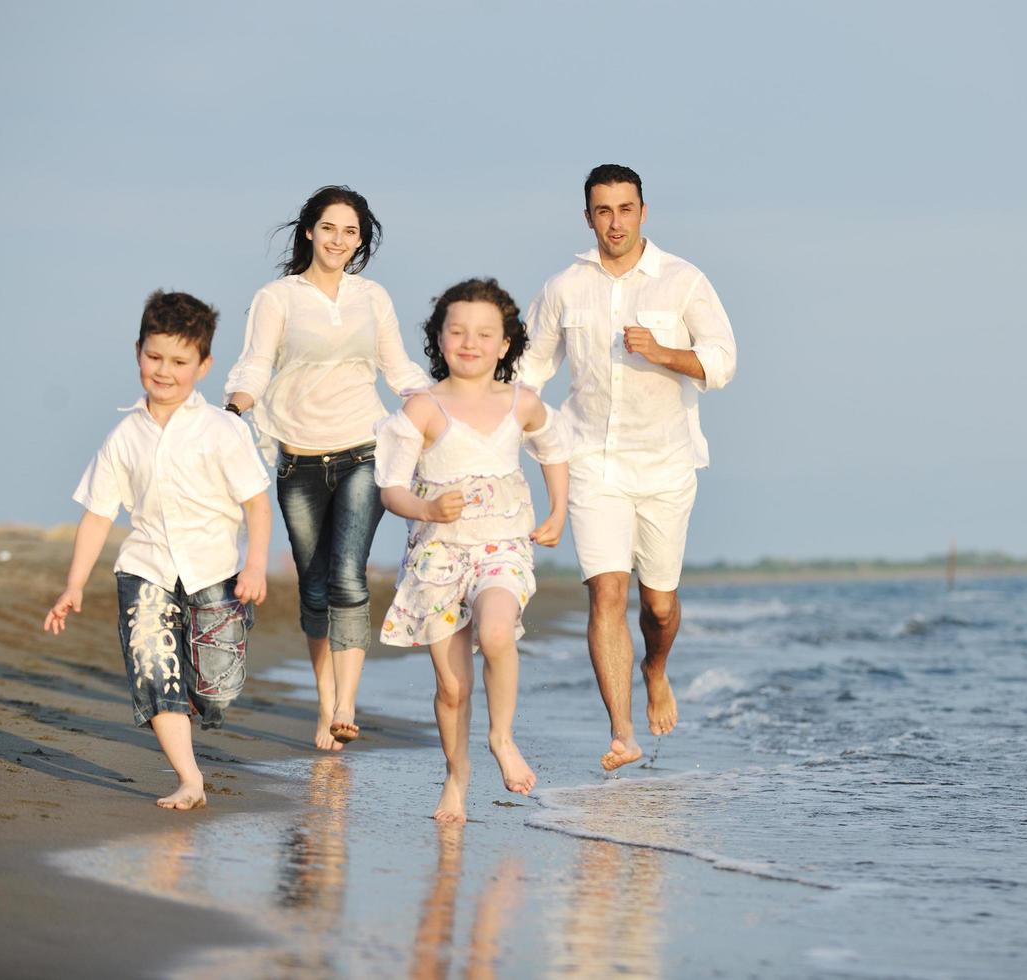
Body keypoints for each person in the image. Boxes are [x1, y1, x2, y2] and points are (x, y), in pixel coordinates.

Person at [518, 164, 738, 771]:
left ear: (643, 211)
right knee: (606, 593)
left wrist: (663, 352)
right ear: (587, 216)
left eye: (625, 209)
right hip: (591, 460)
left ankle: (656, 667)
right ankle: (621, 731)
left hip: (667, 465)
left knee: (659, 605)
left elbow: (722, 362)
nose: (615, 222)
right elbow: (531, 370)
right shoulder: (564, 286)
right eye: (603, 210)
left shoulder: (683, 280)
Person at [44, 290, 271, 810]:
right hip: (144, 569)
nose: (163, 371)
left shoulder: (222, 429)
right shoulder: (124, 436)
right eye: (154, 357)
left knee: (218, 690)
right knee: (152, 671)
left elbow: (257, 505)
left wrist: (256, 564)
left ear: (204, 365)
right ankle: (190, 779)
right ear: (137, 351)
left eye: (178, 361)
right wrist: (74, 584)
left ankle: (198, 688)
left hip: (217, 570)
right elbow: (100, 513)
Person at [224, 186, 431, 750]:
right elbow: (257, 364)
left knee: (346, 575)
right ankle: (325, 707)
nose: (339, 240)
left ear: (361, 241)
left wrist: (438, 404)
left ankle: (346, 704)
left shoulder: (372, 298)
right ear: (310, 230)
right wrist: (232, 409)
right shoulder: (278, 298)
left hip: (364, 447)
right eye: (330, 228)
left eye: (351, 232)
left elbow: (398, 367)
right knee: (314, 589)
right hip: (298, 459)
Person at [374, 278, 571, 822]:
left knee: (497, 631)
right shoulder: (422, 408)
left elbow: (555, 449)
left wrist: (557, 511)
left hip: (502, 545)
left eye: (485, 333)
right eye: (457, 331)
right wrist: (427, 510)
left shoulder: (521, 403)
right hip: (437, 554)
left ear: (505, 344)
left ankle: (502, 739)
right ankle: (456, 777)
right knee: (453, 686)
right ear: (438, 337)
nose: (470, 342)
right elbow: (390, 487)